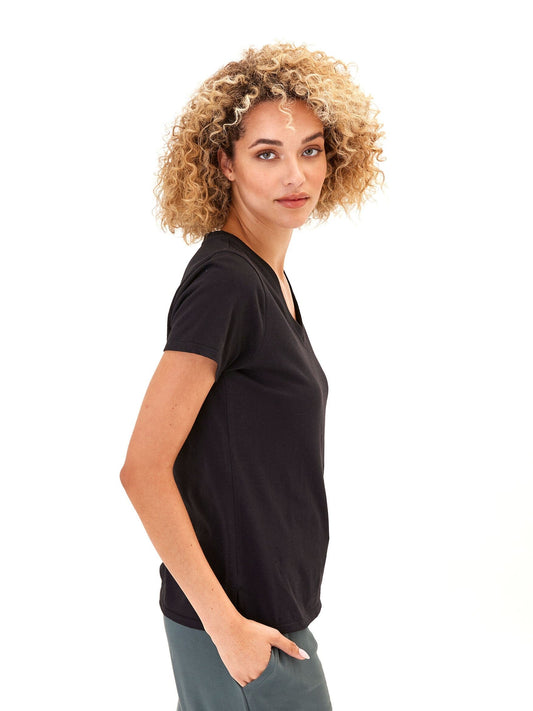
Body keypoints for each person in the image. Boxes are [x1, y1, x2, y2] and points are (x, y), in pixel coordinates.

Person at [120, 42, 383, 711]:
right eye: (266, 153)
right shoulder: (226, 283)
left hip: (266, 617)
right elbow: (143, 469)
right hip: (241, 629)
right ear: (223, 163)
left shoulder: (268, 278)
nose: (295, 174)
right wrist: (226, 629)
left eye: (311, 150)